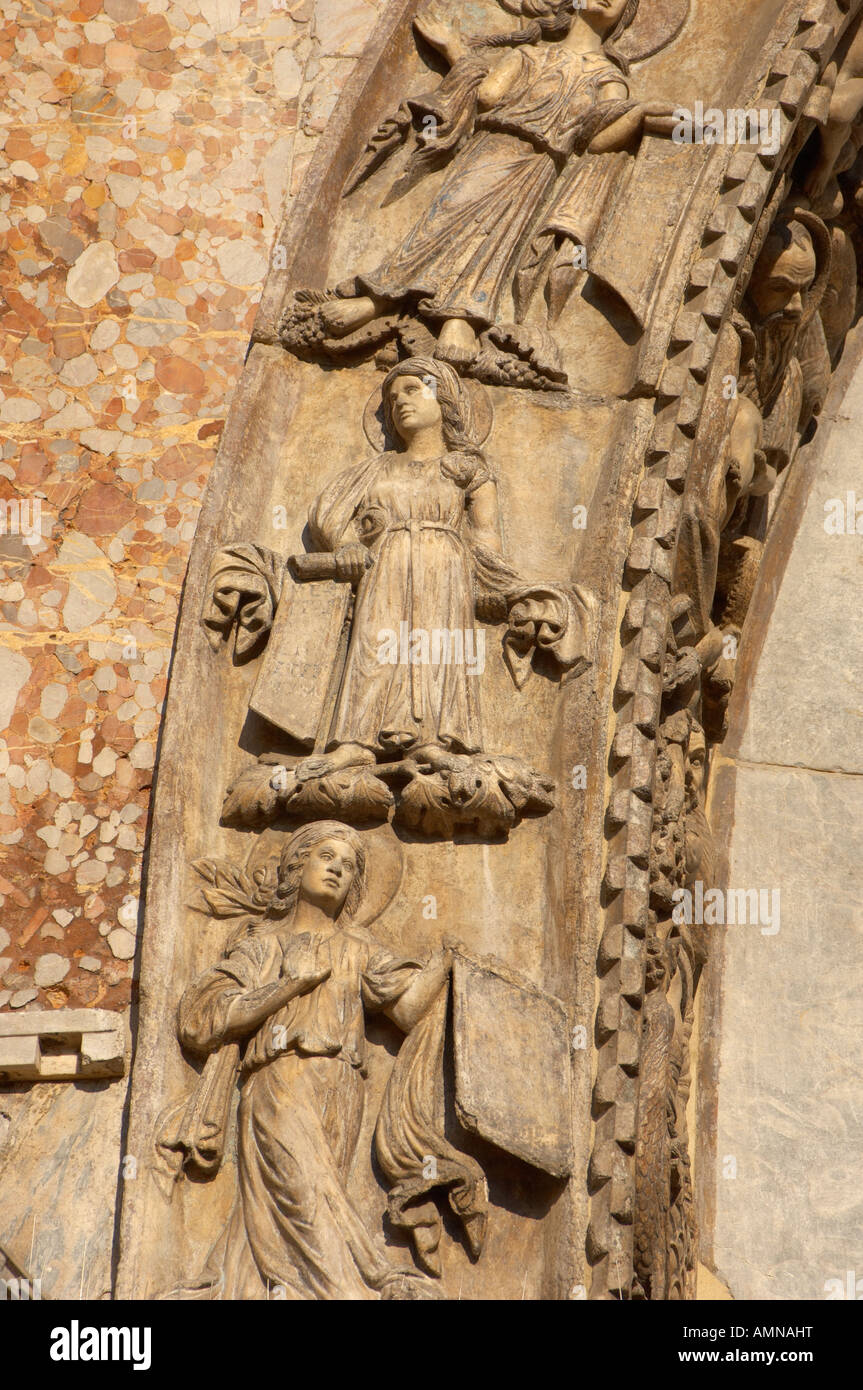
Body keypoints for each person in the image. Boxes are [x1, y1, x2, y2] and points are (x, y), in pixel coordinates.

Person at [175, 821, 452, 1300]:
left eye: (349, 867)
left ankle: (271, 1286)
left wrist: (447, 965)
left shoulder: (360, 948)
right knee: (307, 1194)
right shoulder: (263, 944)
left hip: (342, 1089)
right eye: (327, 857)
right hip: (280, 1083)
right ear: (297, 864)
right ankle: (352, 1287)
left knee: (304, 1197)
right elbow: (204, 1019)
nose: (337, 871)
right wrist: (288, 984)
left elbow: (407, 1010)